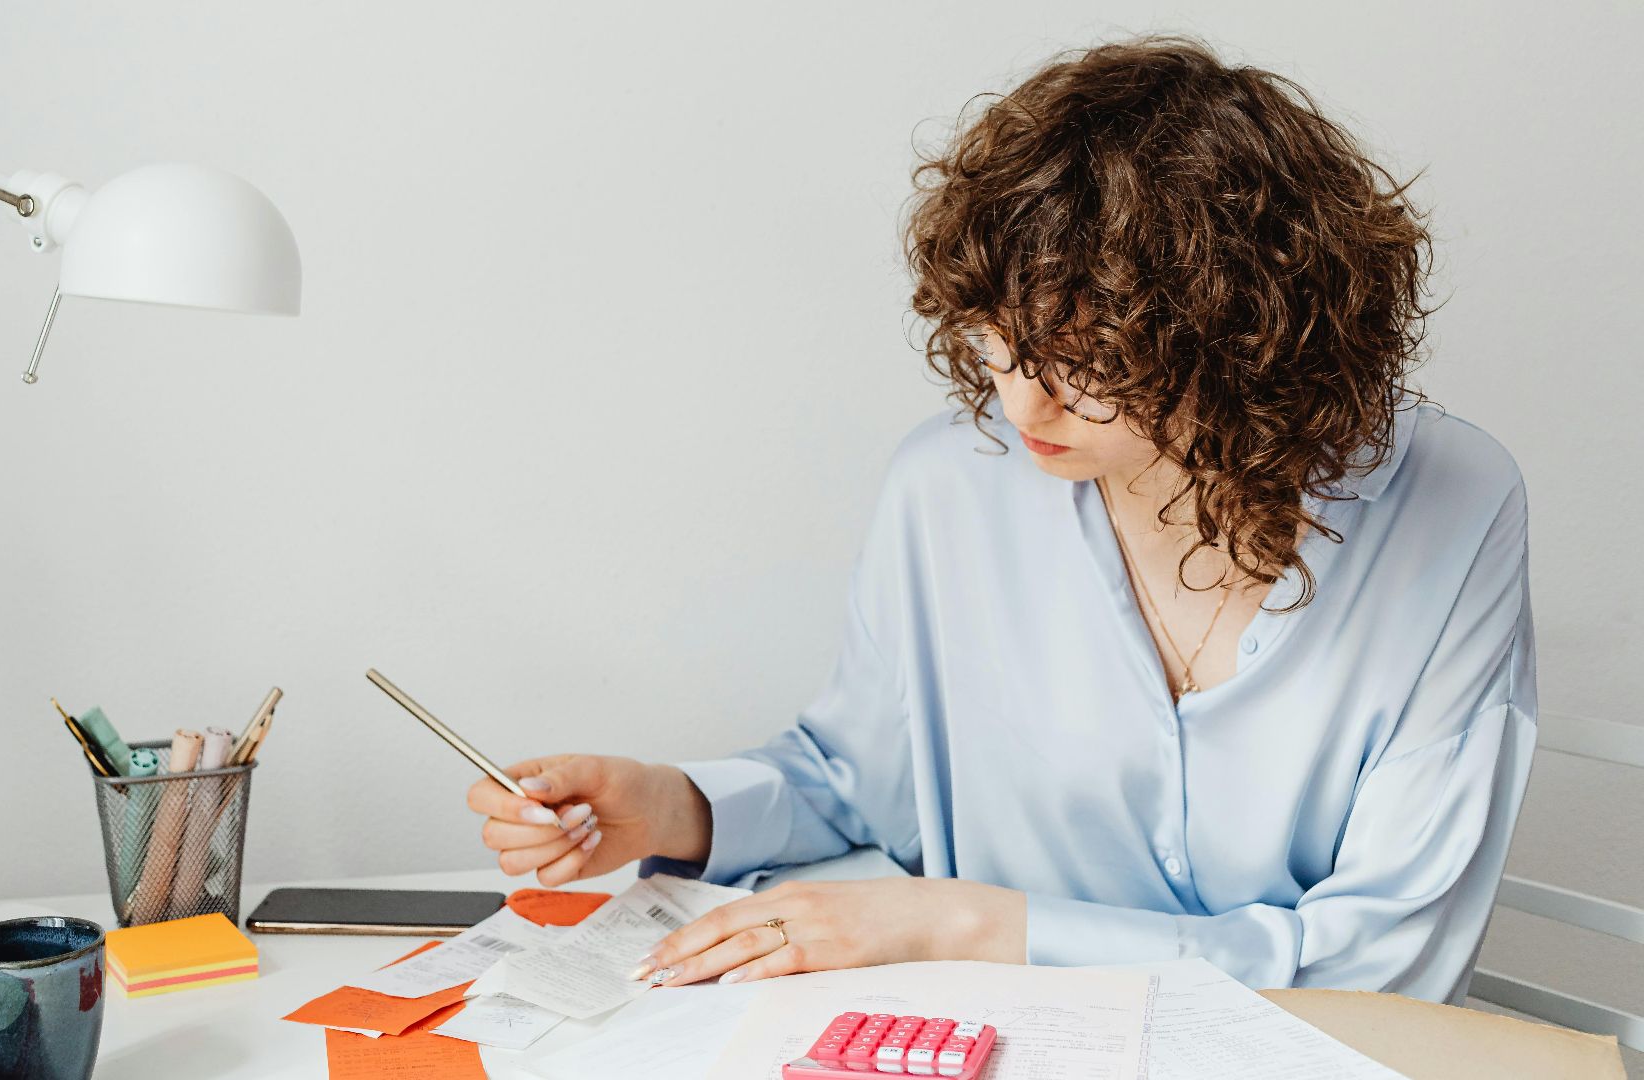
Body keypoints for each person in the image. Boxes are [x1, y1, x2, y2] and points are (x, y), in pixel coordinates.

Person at [466, 34, 1535, 1005]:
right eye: (999, 341)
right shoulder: (949, 488)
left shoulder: (1453, 506)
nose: (1027, 404)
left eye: (1094, 362)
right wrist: (673, 807)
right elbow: (862, 781)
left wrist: (966, 922)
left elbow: (1385, 962)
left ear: (1247, 337)